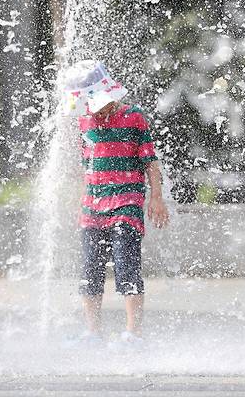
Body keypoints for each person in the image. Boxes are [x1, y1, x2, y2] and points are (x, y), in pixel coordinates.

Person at [62, 60, 170, 344]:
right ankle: (92, 332)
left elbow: (150, 162)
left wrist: (156, 197)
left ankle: (134, 333)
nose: (93, 109)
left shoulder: (134, 117)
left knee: (126, 265)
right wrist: (79, 201)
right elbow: (87, 166)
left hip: (126, 203)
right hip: (92, 207)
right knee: (90, 270)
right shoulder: (83, 120)